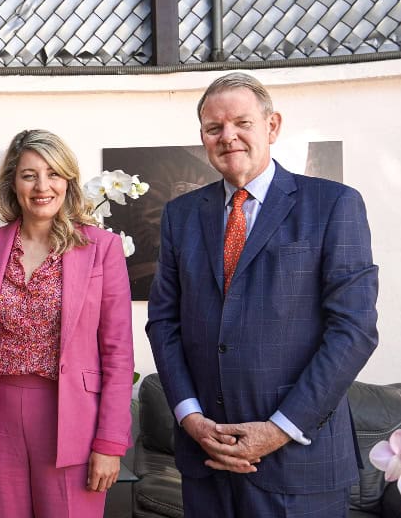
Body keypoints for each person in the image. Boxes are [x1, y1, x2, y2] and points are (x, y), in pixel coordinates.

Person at [146, 72, 379, 518]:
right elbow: (164, 323)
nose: (227, 135)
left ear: (272, 126)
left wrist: (278, 429)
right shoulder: (181, 215)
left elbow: (353, 330)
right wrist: (190, 417)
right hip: (207, 459)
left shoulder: (334, 205)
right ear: (203, 137)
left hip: (298, 461)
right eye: (214, 128)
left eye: (241, 122)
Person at [0, 130, 135, 518]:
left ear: (67, 181)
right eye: (29, 174)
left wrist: (110, 442)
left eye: (53, 173)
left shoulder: (101, 248)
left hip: (73, 418)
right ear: (13, 183)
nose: (42, 186)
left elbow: (118, 352)